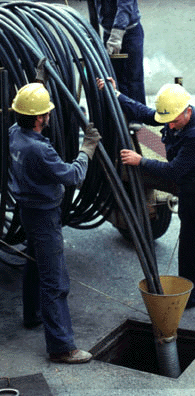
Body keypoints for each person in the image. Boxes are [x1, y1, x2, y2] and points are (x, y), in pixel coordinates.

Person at [97, 77, 195, 334]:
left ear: (189, 111)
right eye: (168, 120)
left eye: (174, 120)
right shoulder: (174, 117)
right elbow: (148, 114)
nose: (169, 125)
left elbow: (174, 170)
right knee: (189, 247)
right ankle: (190, 298)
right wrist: (118, 96)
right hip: (190, 193)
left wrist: (141, 161)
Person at [9, 82, 101, 363]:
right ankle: (62, 347)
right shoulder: (40, 150)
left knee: (35, 263)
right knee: (55, 281)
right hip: (44, 215)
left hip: (27, 209)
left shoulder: (14, 133)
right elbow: (73, 176)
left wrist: (37, 83)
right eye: (46, 111)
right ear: (39, 119)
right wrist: (87, 149)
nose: (49, 115)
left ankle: (33, 315)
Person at [94, 0, 146, 104]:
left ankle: (136, 119)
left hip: (129, 33)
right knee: (114, 79)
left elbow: (125, 7)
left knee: (134, 79)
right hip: (109, 33)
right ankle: (121, 116)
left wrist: (116, 36)